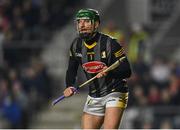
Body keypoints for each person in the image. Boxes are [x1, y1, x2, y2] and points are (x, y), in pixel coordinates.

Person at [63, 8, 132, 129]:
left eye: (86, 21)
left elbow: (127, 70)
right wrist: (69, 85)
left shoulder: (110, 43)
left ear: (96, 24)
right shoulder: (75, 45)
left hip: (115, 91)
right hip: (94, 96)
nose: (82, 25)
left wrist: (108, 72)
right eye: (79, 22)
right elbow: (71, 70)